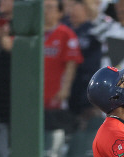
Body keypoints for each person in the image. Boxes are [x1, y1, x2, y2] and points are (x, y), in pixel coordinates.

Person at [44, 0, 83, 130]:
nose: (45, 11)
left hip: (55, 93)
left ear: (60, 13)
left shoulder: (66, 34)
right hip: (35, 92)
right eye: (44, 8)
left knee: (56, 128)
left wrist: (65, 88)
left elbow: (71, 65)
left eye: (50, 8)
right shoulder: (34, 34)